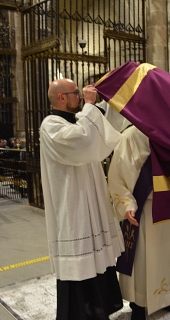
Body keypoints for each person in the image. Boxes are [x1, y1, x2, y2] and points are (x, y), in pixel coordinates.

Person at [39, 79, 125, 320]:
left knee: (97, 261)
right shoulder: (50, 125)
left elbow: (102, 135)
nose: (79, 95)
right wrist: (89, 105)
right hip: (72, 204)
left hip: (92, 202)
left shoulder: (80, 119)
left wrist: (110, 100)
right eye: (75, 93)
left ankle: (101, 308)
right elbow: (83, 140)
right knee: (80, 262)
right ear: (61, 98)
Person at [108, 125, 170, 320]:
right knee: (142, 259)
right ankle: (138, 303)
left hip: (167, 206)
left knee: (168, 254)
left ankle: (168, 296)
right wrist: (127, 204)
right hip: (144, 208)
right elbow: (116, 176)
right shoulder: (130, 136)